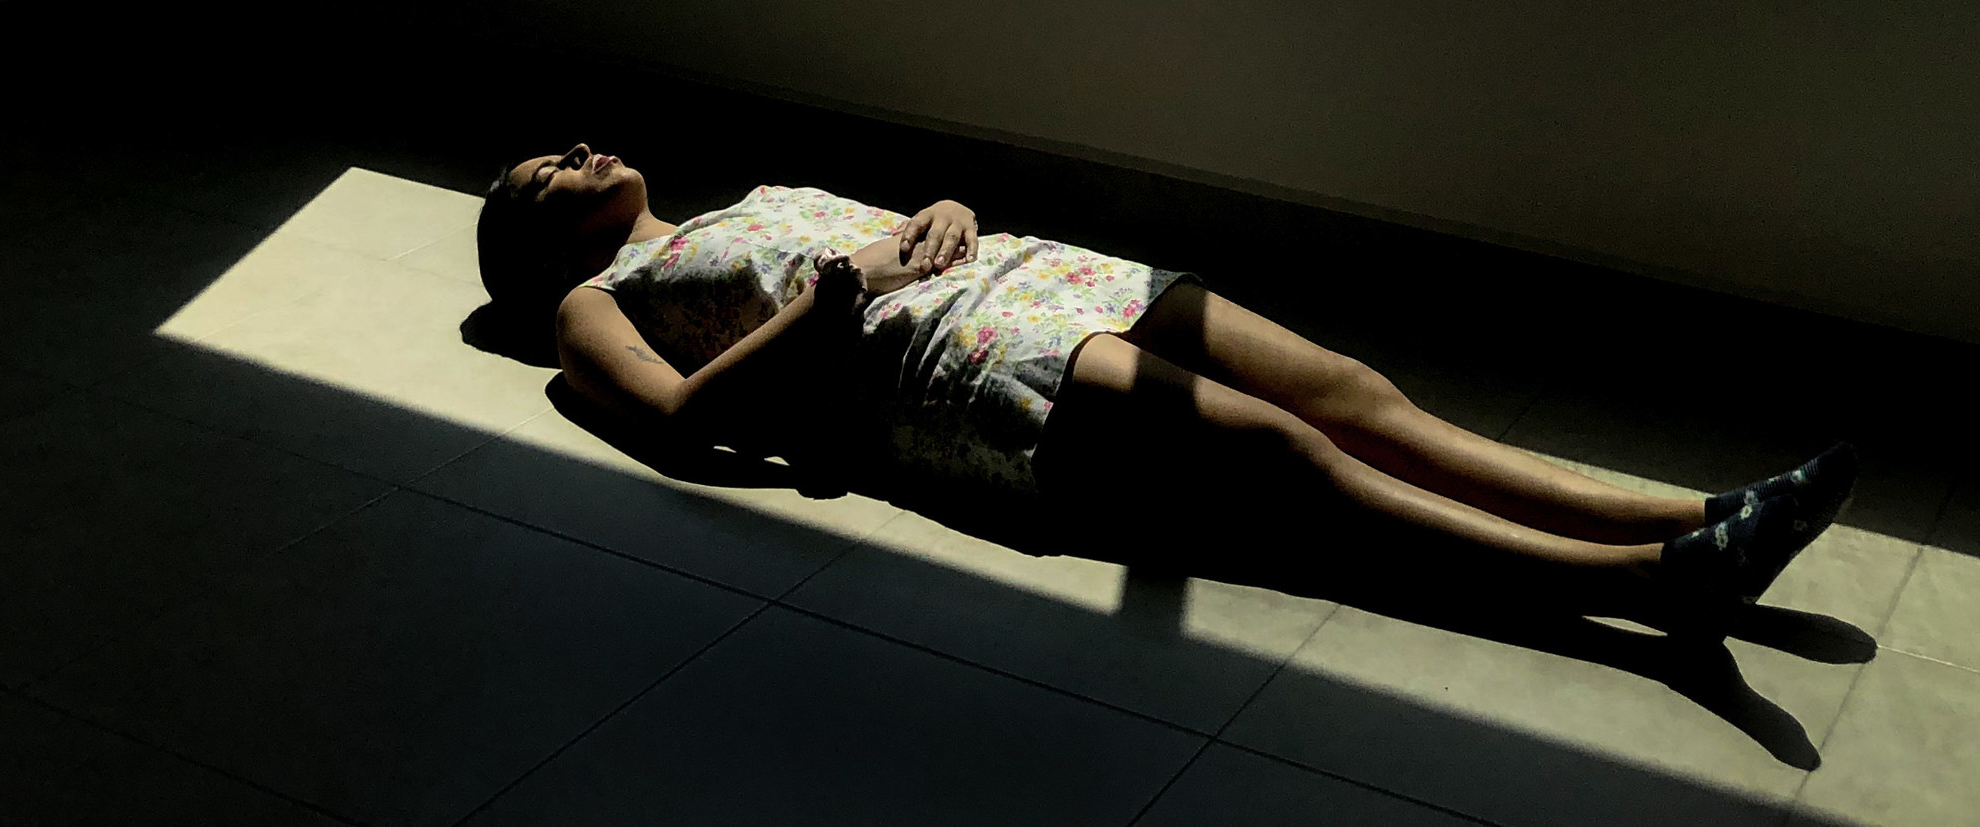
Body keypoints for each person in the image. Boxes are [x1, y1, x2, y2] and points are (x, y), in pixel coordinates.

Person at [477, 142, 1855, 632]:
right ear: (545, 246)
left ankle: (1692, 511)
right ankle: (1650, 587)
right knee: (1286, 456)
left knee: (1356, 392)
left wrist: (945, 205)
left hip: (1029, 277)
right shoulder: (592, 309)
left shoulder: (739, 193)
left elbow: (890, 222)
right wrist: (836, 305)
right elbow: (669, 421)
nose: (579, 152)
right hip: (960, 367)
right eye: (549, 176)